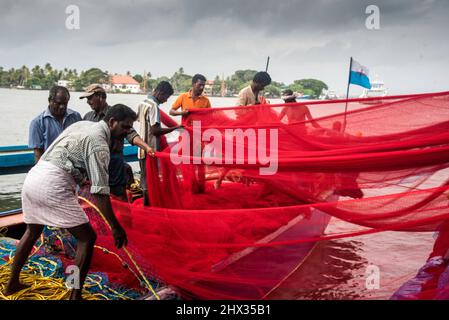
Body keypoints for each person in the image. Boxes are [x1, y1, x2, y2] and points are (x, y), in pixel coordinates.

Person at [4, 104, 139, 300]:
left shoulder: (84, 125)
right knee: (87, 238)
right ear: (111, 122)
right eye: (125, 127)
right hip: (53, 185)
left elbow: (61, 152)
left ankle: (11, 284)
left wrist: (78, 176)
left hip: (34, 178)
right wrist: (115, 227)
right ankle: (74, 294)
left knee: (32, 231)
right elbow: (100, 193)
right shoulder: (99, 144)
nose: (126, 133)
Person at [80, 84, 153, 201]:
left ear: (100, 97)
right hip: (94, 164)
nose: (88, 102)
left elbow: (131, 135)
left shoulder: (117, 113)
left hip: (114, 164)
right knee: (96, 198)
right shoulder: (88, 117)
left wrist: (147, 148)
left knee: (119, 198)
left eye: (90, 98)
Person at [137, 81, 182, 205]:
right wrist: (175, 128)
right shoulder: (154, 107)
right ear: (160, 93)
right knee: (150, 183)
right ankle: (148, 208)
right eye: (166, 97)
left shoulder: (143, 103)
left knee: (145, 181)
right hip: (150, 149)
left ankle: (147, 207)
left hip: (141, 148)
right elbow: (155, 131)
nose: (165, 101)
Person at [169, 74, 212, 193]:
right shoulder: (183, 97)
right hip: (185, 134)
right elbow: (172, 111)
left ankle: (201, 187)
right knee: (187, 161)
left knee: (199, 161)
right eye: (200, 85)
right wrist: (183, 113)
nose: (202, 87)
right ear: (193, 84)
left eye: (203, 85)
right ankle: (191, 186)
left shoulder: (206, 100)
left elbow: (210, 117)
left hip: (199, 136)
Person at [28, 85, 82, 163]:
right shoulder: (37, 123)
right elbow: (38, 154)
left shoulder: (76, 117)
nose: (62, 107)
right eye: (58, 103)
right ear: (50, 100)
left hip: (74, 167)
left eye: (65, 103)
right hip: (51, 168)